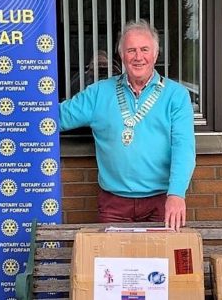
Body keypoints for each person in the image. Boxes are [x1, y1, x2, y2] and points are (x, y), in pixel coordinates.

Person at [60, 19, 196, 231]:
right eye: (131, 50)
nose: (138, 57)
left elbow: (184, 148)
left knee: (159, 263)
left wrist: (177, 193)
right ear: (122, 56)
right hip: (114, 204)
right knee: (114, 264)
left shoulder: (176, 96)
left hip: (161, 202)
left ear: (155, 54)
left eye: (144, 49)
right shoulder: (98, 93)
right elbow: (55, 119)